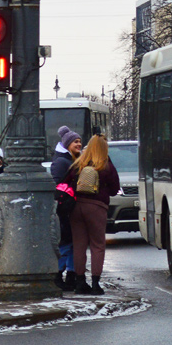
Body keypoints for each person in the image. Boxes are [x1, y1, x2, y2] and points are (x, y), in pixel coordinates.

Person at [68, 134, 119, 295]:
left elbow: (68, 182)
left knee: (79, 245)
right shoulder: (106, 165)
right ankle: (95, 283)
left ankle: (80, 282)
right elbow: (114, 188)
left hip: (77, 207)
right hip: (97, 208)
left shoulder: (78, 164)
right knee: (97, 245)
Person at [49, 126, 82, 290]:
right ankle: (60, 274)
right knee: (66, 243)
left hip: (69, 206)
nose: (79, 144)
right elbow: (57, 184)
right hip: (65, 208)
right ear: (67, 144)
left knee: (72, 242)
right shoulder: (62, 161)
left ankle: (70, 274)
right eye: (75, 141)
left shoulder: (70, 159)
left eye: (80, 141)